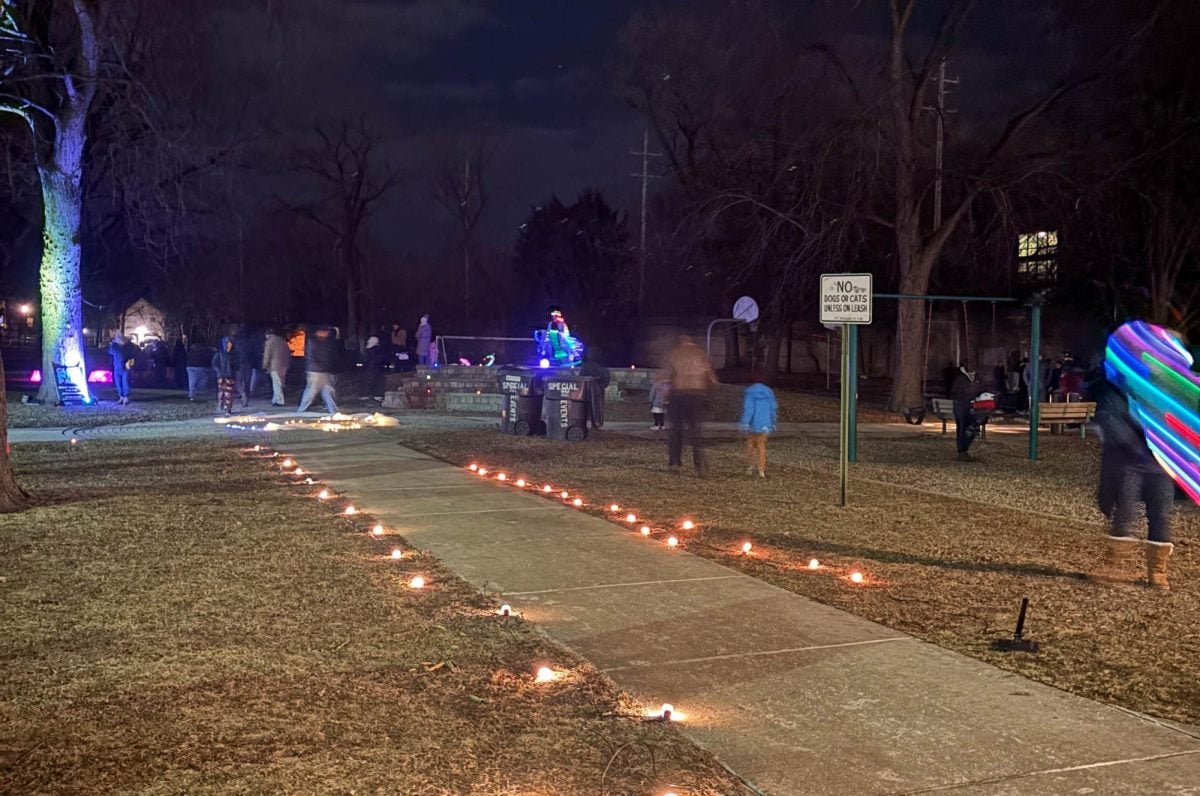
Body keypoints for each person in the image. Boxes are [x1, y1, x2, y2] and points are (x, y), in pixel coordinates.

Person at [1094, 378, 1175, 589]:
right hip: (1128, 463)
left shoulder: (1164, 394)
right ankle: (1115, 565)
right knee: (1125, 512)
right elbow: (1108, 420)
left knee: (1161, 514)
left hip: (1160, 465)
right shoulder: (1115, 392)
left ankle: (1157, 572)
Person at [665, 336, 717, 476]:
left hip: (679, 393)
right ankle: (700, 465)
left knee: (676, 428)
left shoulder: (675, 354)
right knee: (695, 430)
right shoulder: (701, 354)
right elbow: (711, 378)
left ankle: (674, 462)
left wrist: (666, 394)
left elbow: (668, 376)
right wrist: (708, 395)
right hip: (697, 394)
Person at [740, 378, 778, 478]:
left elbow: (749, 409)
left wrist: (745, 422)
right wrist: (773, 422)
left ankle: (750, 466)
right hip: (765, 423)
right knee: (762, 446)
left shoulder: (750, 394)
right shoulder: (769, 393)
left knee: (750, 444)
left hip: (753, 423)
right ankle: (761, 469)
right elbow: (773, 408)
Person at [297, 325, 340, 414]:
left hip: (323, 370)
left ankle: (333, 409)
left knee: (328, 390)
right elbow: (312, 357)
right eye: (326, 332)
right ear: (320, 332)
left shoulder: (326, 342)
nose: (328, 333)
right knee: (312, 390)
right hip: (315, 371)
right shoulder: (313, 342)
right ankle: (302, 409)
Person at [951, 365, 982, 461]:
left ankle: (964, 449)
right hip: (962, 406)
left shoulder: (975, 378)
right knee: (962, 428)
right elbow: (958, 393)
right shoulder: (961, 379)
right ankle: (962, 450)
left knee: (970, 428)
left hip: (970, 407)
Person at [262, 328, 291, 407]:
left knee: (276, 383)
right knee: (280, 382)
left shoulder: (269, 342)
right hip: (284, 364)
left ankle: (279, 401)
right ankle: (275, 400)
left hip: (275, 365)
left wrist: (265, 365)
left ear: (267, 335)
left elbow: (267, 355)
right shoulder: (282, 341)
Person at [107, 334, 138, 405]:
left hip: (124, 367)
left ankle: (125, 397)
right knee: (119, 382)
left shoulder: (125, 347)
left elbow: (132, 355)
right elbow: (110, 352)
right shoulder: (116, 346)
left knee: (124, 382)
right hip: (119, 367)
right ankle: (122, 397)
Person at [211, 336, 237, 415]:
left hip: (230, 376)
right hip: (221, 376)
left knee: (228, 393)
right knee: (222, 392)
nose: (228, 345)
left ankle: (228, 408)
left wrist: (233, 370)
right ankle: (222, 403)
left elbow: (237, 364)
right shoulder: (219, 353)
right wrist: (219, 371)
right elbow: (214, 364)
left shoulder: (234, 354)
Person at [362, 335, 387, 401]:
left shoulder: (369, 350)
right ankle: (377, 395)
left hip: (370, 369)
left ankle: (366, 394)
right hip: (377, 369)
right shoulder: (379, 350)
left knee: (369, 381)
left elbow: (366, 360)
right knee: (377, 382)